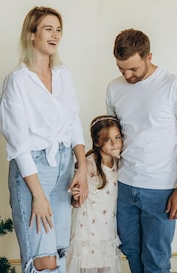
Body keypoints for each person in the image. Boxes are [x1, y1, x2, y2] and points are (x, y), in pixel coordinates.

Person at [0, 6, 88, 273]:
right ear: (31, 34)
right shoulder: (17, 81)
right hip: (33, 172)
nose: (55, 35)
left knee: (59, 254)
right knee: (43, 260)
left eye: (59, 30)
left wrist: (81, 168)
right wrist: (37, 195)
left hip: (64, 165)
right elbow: (19, 145)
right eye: (48, 29)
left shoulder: (63, 75)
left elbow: (74, 122)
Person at [105, 29, 177, 273]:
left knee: (156, 260)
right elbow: (112, 140)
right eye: (120, 68)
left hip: (161, 190)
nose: (127, 75)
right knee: (131, 252)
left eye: (133, 69)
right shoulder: (114, 88)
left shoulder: (173, 85)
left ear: (149, 57)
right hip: (124, 186)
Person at [68, 115, 123, 273]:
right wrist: (75, 197)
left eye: (117, 137)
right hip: (87, 227)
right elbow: (74, 194)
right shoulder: (89, 165)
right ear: (98, 142)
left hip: (106, 229)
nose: (114, 143)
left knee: (104, 266)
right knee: (88, 265)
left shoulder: (119, 163)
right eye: (108, 139)